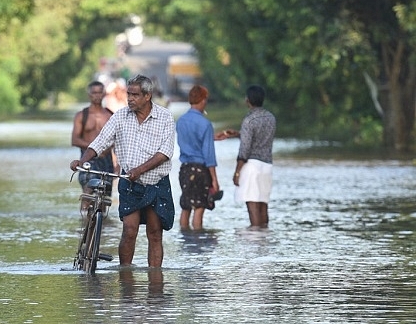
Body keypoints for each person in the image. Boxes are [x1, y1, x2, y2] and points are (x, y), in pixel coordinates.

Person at [70, 74, 176, 268]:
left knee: (154, 232)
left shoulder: (165, 117)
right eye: (128, 94)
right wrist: (82, 160)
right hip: (130, 183)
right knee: (129, 230)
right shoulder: (120, 116)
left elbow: (165, 153)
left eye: (135, 95)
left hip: (156, 183)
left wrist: (140, 170)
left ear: (147, 96)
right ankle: (125, 276)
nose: (130, 99)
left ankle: (155, 279)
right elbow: (100, 142)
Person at [215, 85, 276, 228]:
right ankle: (264, 236)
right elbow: (260, 139)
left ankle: (255, 237)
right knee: (263, 202)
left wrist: (237, 172)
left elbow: (245, 150)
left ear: (247, 100)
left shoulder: (249, 121)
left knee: (252, 203)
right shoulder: (271, 118)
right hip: (267, 165)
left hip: (252, 166)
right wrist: (239, 134)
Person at [176, 85, 220, 230]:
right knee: (199, 207)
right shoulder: (205, 124)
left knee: (186, 206)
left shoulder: (181, 121)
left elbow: (190, 141)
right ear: (203, 100)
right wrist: (214, 179)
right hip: (200, 171)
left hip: (185, 169)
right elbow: (209, 155)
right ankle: (197, 241)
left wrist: (213, 138)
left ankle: (185, 239)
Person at [71, 81, 117, 196]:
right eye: (94, 92)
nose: (97, 95)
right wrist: (95, 149)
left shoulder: (110, 115)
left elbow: (118, 142)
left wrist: (118, 165)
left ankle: (101, 213)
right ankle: (85, 212)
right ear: (89, 94)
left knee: (105, 196)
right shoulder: (81, 115)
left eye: (100, 92)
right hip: (88, 159)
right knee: (88, 189)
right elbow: (75, 140)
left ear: (104, 94)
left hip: (107, 161)